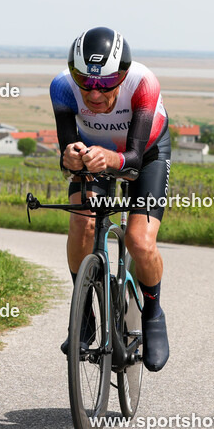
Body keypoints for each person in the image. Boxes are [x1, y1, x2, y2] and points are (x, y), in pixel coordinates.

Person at [49, 26, 171, 371]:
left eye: (105, 83)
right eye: (85, 81)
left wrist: (110, 158)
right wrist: (69, 157)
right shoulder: (62, 87)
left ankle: (153, 313)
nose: (94, 93)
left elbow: (133, 160)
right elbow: (66, 151)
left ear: (123, 76)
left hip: (146, 153)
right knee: (82, 223)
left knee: (139, 241)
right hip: (94, 155)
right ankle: (84, 315)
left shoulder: (143, 83)